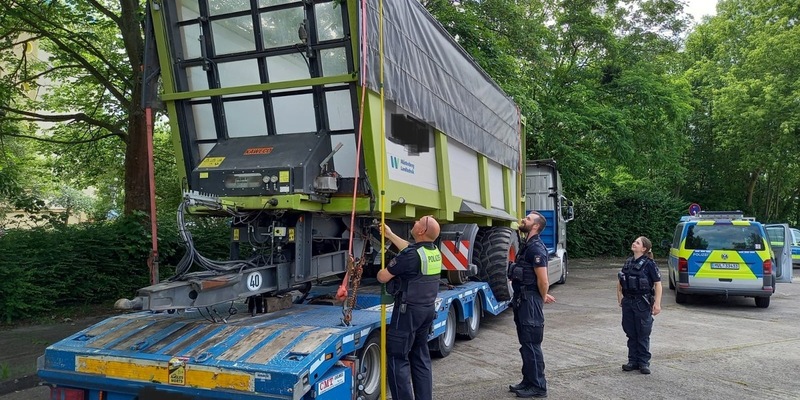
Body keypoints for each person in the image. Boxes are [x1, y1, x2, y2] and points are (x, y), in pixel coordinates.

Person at [377, 215, 442, 400]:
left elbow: (383, 277)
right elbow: (410, 249)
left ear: (421, 231)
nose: (414, 223)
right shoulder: (433, 251)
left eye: (418, 222)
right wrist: (390, 235)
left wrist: (380, 272)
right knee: (421, 357)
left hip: (408, 313)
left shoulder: (411, 256)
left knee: (398, 358)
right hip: (427, 311)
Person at [507, 211, 556, 398]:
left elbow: (543, 280)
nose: (524, 220)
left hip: (530, 300)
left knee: (532, 343)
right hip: (522, 299)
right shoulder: (526, 246)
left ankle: (538, 386)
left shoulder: (536, 248)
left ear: (535, 226)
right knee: (525, 343)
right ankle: (528, 381)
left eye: (528, 219)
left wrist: (542, 296)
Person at [617, 236, 662, 375]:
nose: (634, 244)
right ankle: (632, 361)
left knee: (643, 333)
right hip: (628, 302)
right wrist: (620, 299)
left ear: (644, 248)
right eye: (635, 242)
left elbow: (658, 284)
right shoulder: (629, 262)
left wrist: (657, 304)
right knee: (630, 332)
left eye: (637, 243)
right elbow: (620, 281)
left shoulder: (649, 264)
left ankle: (643, 362)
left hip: (642, 302)